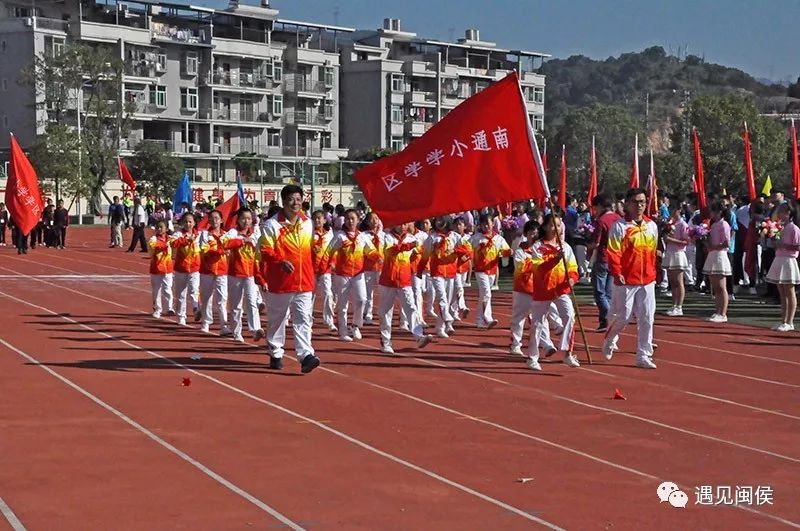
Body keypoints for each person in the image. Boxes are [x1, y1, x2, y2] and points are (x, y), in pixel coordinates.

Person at [258, 184, 321, 373]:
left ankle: (306, 356)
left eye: (299, 199)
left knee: (303, 318)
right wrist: (281, 261)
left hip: (304, 280)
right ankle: (276, 352)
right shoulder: (272, 225)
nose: (295, 203)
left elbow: (310, 248)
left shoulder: (307, 223)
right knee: (278, 319)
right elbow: (265, 250)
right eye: (291, 199)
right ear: (284, 201)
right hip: (281, 281)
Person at [602, 188, 659, 369]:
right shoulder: (620, 226)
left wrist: (654, 272)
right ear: (627, 204)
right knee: (623, 317)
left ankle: (644, 355)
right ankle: (610, 338)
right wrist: (617, 272)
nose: (639, 205)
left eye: (642, 202)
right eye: (635, 202)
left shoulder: (651, 226)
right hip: (626, 280)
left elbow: (653, 251)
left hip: (647, 279)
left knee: (647, 317)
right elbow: (613, 252)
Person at [526, 214, 581, 371]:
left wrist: (572, 279)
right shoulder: (538, 247)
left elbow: (573, 269)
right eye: (552, 225)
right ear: (545, 227)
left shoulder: (565, 247)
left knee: (570, 316)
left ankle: (567, 353)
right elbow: (538, 269)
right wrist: (555, 259)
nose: (555, 228)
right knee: (538, 324)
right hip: (543, 290)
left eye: (557, 225)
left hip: (560, 289)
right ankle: (532, 357)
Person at [376, 222, 433, 353]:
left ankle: (419, 336)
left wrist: (427, 247)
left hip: (404, 280)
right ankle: (386, 342)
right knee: (386, 313)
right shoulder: (386, 237)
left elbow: (417, 253)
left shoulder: (411, 238)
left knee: (411, 308)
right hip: (388, 280)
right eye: (400, 224)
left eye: (405, 224)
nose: (402, 226)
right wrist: (408, 246)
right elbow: (389, 251)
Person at [325, 208, 380, 342]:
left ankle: (355, 325)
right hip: (342, 274)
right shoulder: (340, 236)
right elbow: (329, 251)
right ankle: (343, 331)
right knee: (343, 304)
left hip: (358, 274)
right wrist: (330, 263)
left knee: (362, 299)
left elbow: (371, 251)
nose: (350, 221)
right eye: (348, 219)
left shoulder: (362, 237)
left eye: (353, 218)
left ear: (358, 220)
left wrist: (378, 257)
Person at [418, 216, 470, 338]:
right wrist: (420, 270)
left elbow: (467, 251)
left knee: (448, 298)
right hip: (437, 272)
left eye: (441, 221)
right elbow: (425, 255)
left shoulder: (455, 237)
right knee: (442, 298)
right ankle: (447, 316)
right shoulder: (432, 238)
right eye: (437, 221)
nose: (439, 223)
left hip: (451, 272)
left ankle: (440, 327)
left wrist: (463, 257)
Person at [225, 208, 264, 343]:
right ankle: (236, 332)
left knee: (252, 302)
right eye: (243, 218)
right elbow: (224, 243)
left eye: (248, 219)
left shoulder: (255, 233)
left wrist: (252, 242)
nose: (246, 221)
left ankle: (255, 329)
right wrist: (241, 241)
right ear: (238, 220)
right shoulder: (233, 233)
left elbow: (261, 248)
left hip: (250, 273)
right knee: (236, 304)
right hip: (235, 273)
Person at [470, 213, 511, 329]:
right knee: (486, 293)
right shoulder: (476, 238)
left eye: (488, 224)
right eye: (483, 224)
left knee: (484, 295)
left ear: (493, 224)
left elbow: (506, 251)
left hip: (492, 270)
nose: (486, 226)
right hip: (480, 270)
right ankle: (488, 318)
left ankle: (479, 320)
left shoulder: (498, 238)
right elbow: (465, 247)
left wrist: (508, 252)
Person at [588, 193, 621, 332]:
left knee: (599, 292)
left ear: (601, 206)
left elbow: (596, 243)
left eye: (595, 207)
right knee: (607, 292)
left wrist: (588, 244)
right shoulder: (618, 219)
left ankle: (609, 317)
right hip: (615, 258)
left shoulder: (601, 221)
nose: (595, 211)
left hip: (603, 258)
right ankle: (604, 321)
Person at [766, 203, 799, 331]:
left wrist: (783, 245)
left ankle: (790, 321)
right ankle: (783, 320)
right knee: (782, 292)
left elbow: (797, 246)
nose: (779, 214)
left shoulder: (794, 228)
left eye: (782, 212)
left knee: (789, 291)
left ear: (789, 213)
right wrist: (774, 238)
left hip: (789, 260)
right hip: (779, 259)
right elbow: (777, 243)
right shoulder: (781, 227)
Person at [197, 210, 231, 335]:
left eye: (217, 218)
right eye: (211, 218)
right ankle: (206, 323)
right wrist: (221, 251)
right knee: (206, 297)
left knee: (222, 298)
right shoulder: (205, 235)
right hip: (207, 270)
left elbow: (230, 249)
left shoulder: (226, 235)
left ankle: (224, 325)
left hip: (222, 270)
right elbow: (205, 250)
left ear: (221, 220)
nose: (214, 220)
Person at [702, 201, 732, 323]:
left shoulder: (724, 224)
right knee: (715, 287)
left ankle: (723, 313)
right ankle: (717, 311)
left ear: (719, 212)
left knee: (721, 286)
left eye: (713, 211)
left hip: (720, 255)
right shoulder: (714, 225)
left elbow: (726, 243)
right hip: (713, 255)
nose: (711, 214)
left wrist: (713, 247)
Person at [170, 212, 202, 327]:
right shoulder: (178, 234)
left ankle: (196, 308)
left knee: (194, 290)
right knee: (181, 294)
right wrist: (186, 240)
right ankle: (181, 317)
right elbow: (173, 243)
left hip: (195, 267)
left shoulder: (199, 234)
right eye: (186, 222)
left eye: (190, 222)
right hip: (181, 268)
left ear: (194, 223)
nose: (188, 224)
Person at [311, 209, 337, 333]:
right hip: (311, 268)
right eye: (315, 218)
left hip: (325, 268)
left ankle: (329, 321)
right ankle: (308, 321)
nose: (317, 221)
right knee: (310, 296)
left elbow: (333, 250)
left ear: (324, 220)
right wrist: (312, 248)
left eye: (319, 218)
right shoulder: (310, 234)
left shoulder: (329, 234)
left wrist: (333, 262)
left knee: (328, 293)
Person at [663, 204, 690, 316]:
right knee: (672, 282)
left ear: (679, 210)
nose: (671, 211)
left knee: (679, 281)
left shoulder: (683, 224)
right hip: (670, 252)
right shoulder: (671, 224)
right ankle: (674, 305)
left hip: (678, 254)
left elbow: (686, 242)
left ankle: (679, 306)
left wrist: (671, 240)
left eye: (673, 209)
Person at [361, 211, 384, 325]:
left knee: (384, 292)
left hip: (382, 267)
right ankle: (368, 314)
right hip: (368, 267)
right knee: (368, 293)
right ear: (367, 221)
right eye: (372, 218)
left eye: (377, 218)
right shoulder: (363, 235)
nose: (374, 221)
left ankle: (383, 314)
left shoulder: (383, 235)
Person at [148, 221, 175, 319]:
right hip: (156, 268)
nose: (159, 229)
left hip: (167, 268)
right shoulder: (153, 239)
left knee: (167, 288)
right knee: (157, 290)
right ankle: (157, 309)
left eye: (161, 227)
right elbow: (154, 246)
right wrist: (165, 245)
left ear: (166, 229)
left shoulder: (170, 239)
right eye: (157, 227)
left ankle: (170, 307)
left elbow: (177, 245)